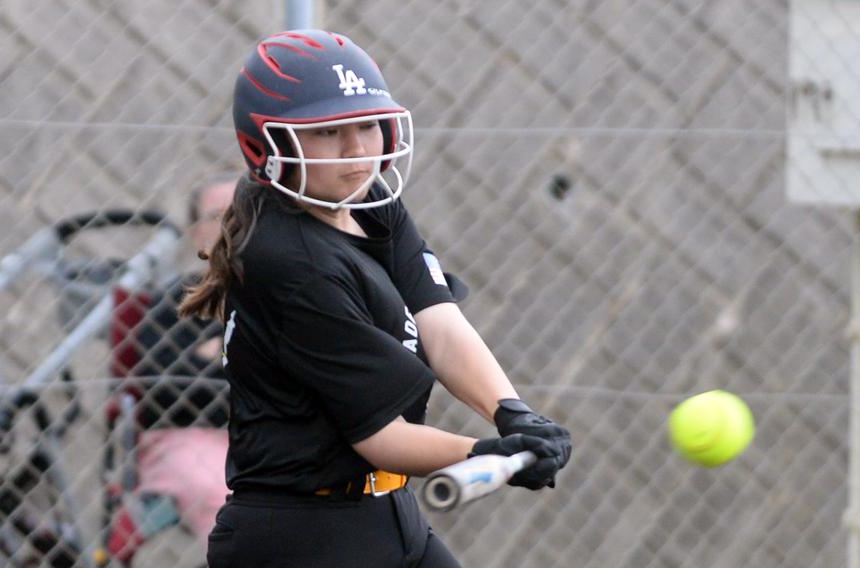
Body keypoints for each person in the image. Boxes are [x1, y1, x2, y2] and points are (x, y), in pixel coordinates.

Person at [180, 29, 572, 568]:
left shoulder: (367, 198)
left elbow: (438, 318)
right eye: (328, 133)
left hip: (388, 516)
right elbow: (379, 436)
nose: (358, 151)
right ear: (268, 148)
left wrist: (513, 415)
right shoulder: (291, 262)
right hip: (301, 539)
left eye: (367, 125)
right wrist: (482, 453)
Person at [106, 174, 237, 563]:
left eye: (243, 212)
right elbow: (163, 387)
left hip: (270, 435)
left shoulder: (287, 292)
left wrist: (217, 356)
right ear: (198, 232)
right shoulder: (179, 300)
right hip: (186, 437)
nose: (232, 225)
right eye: (218, 215)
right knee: (224, 492)